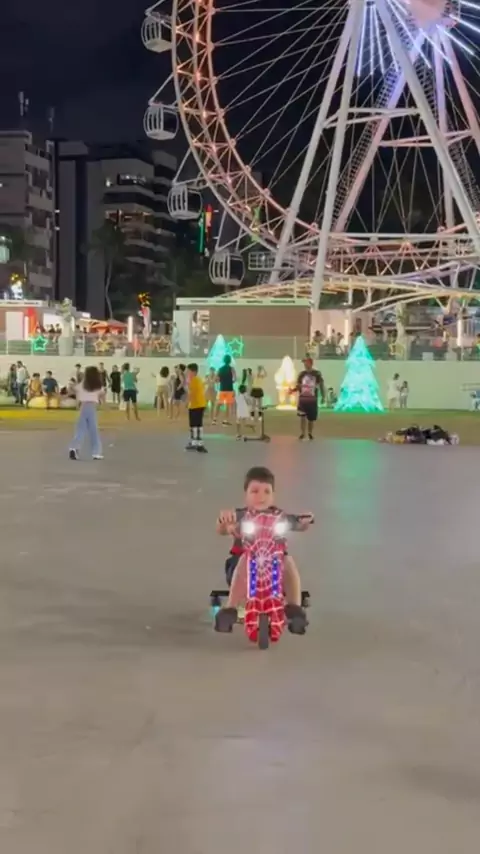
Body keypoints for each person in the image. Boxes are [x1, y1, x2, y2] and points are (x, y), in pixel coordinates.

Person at [214, 466, 312, 633]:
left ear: (273, 495)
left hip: (273, 568)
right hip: (240, 569)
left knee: (287, 559)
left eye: (267, 492)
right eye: (255, 491)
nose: (261, 496)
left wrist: (305, 521)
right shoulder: (241, 516)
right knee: (246, 557)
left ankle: (294, 610)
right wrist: (225, 522)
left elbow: (298, 525)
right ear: (245, 495)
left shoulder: (279, 517)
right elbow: (222, 528)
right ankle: (230, 609)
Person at [69, 366, 105, 460]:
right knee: (94, 431)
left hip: (83, 406)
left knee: (80, 430)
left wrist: (71, 385)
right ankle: (96, 452)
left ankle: (74, 448)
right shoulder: (98, 385)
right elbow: (102, 395)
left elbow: (74, 390)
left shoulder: (82, 384)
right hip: (92, 407)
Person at [293, 357, 325, 440]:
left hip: (312, 399)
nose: (305, 364)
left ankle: (310, 433)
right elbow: (298, 385)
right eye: (304, 363)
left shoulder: (317, 374)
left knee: (311, 418)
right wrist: (294, 389)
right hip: (303, 399)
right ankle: (302, 433)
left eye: (306, 362)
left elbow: (321, 385)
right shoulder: (301, 374)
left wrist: (323, 396)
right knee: (302, 417)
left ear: (311, 363)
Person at [186, 362, 207, 452]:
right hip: (199, 405)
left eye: (188, 371)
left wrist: (187, 402)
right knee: (198, 424)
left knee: (195, 424)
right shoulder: (198, 379)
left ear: (193, 372)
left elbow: (192, 394)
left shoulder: (194, 380)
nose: (187, 373)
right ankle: (197, 443)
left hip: (196, 405)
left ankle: (197, 443)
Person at [214, 354, 236, 425]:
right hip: (229, 388)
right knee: (227, 405)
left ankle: (215, 419)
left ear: (224, 360)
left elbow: (216, 379)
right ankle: (225, 420)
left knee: (218, 404)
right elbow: (235, 379)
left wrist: (221, 380)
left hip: (222, 388)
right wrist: (230, 381)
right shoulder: (232, 369)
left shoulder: (220, 369)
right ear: (230, 361)